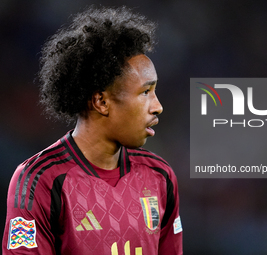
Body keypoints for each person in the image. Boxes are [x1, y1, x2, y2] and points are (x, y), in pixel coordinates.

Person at [2, 6, 183, 255]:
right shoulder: (39, 180)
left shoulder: (160, 176)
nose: (158, 107)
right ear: (102, 102)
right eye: (145, 92)